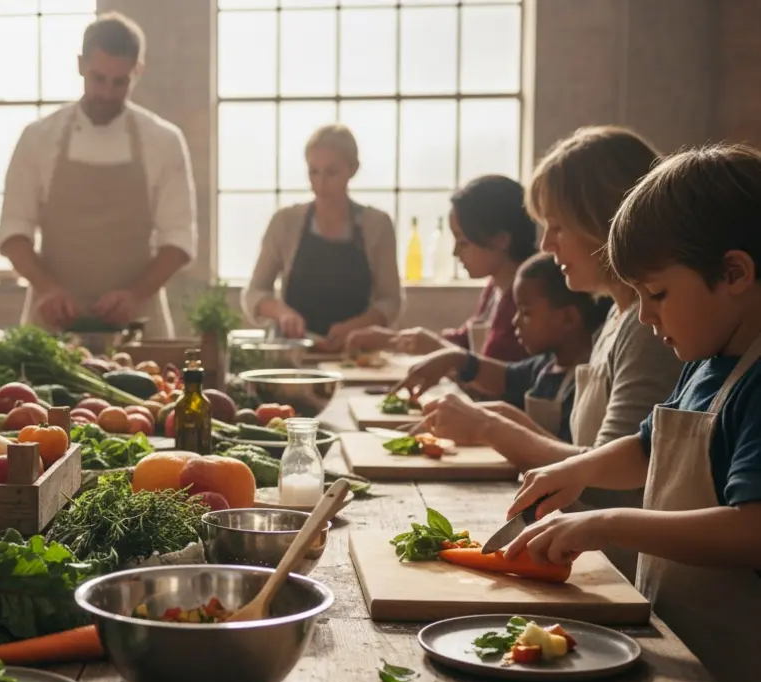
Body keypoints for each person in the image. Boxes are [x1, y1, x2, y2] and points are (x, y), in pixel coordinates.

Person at [505, 144, 761, 682]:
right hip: (688, 652)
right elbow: (648, 448)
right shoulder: (706, 360)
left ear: (734, 273)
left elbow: (752, 530)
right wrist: (578, 470)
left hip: (745, 676)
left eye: (659, 294)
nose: (644, 316)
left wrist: (606, 521)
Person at [408, 126, 681, 577]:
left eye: (557, 226)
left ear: (609, 221)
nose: (545, 244)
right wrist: (511, 423)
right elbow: (595, 456)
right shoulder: (617, 316)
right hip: (591, 562)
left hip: (614, 575)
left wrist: (490, 426)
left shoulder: (648, 327)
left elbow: (609, 486)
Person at [0, 12, 197, 338]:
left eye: (120, 82)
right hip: (51, 323)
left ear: (139, 71)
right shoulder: (38, 138)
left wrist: (136, 294)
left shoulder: (163, 141)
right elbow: (13, 232)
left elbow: (178, 239)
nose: (107, 92)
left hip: (138, 323)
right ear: (80, 65)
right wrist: (48, 288)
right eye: (98, 78)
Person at [391, 254, 609, 448]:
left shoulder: (586, 381)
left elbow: (573, 459)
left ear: (568, 318)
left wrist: (497, 423)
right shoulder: (545, 366)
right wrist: (453, 358)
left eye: (526, 313)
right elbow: (503, 377)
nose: (515, 321)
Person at [242, 124, 401, 350]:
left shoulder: (377, 225)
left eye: (331, 172)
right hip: (295, 353)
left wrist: (356, 327)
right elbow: (255, 293)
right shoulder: (285, 223)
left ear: (353, 169)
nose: (321, 183)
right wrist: (283, 314)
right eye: (313, 172)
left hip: (356, 354)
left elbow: (391, 300)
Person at [345, 175, 536, 361]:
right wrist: (392, 340)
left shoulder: (526, 298)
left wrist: (430, 346)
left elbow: (497, 368)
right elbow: (464, 341)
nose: (454, 252)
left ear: (501, 239)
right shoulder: (496, 288)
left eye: (463, 242)